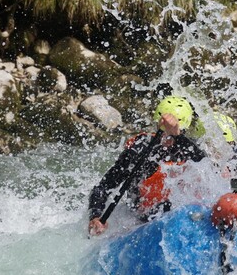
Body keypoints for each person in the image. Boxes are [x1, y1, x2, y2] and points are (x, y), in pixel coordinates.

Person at [88, 96, 206, 236]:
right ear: (157, 126)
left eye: (172, 135)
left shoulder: (189, 150)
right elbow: (103, 187)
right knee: (164, 207)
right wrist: (95, 216)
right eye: (163, 133)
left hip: (174, 215)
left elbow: (208, 168)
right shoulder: (139, 150)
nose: (166, 140)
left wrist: (177, 136)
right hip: (140, 218)